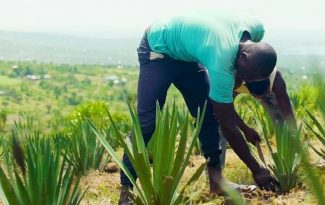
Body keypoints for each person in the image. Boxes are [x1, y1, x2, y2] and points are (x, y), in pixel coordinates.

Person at [119, 11, 279, 204]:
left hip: (187, 55)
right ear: (243, 57)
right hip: (158, 49)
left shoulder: (256, 29)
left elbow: (220, 109)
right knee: (147, 123)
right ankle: (126, 192)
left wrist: (245, 129)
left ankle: (216, 182)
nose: (243, 79)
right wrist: (258, 171)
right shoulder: (222, 59)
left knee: (206, 114)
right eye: (246, 74)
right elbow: (227, 125)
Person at [218, 67, 297, 173]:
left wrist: (293, 133)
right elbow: (224, 110)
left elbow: (286, 108)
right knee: (219, 123)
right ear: (246, 87)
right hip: (230, 85)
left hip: (265, 85)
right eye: (258, 96)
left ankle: (290, 163)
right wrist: (245, 129)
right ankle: (215, 174)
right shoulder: (228, 78)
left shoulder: (276, 79)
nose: (261, 99)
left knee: (283, 121)